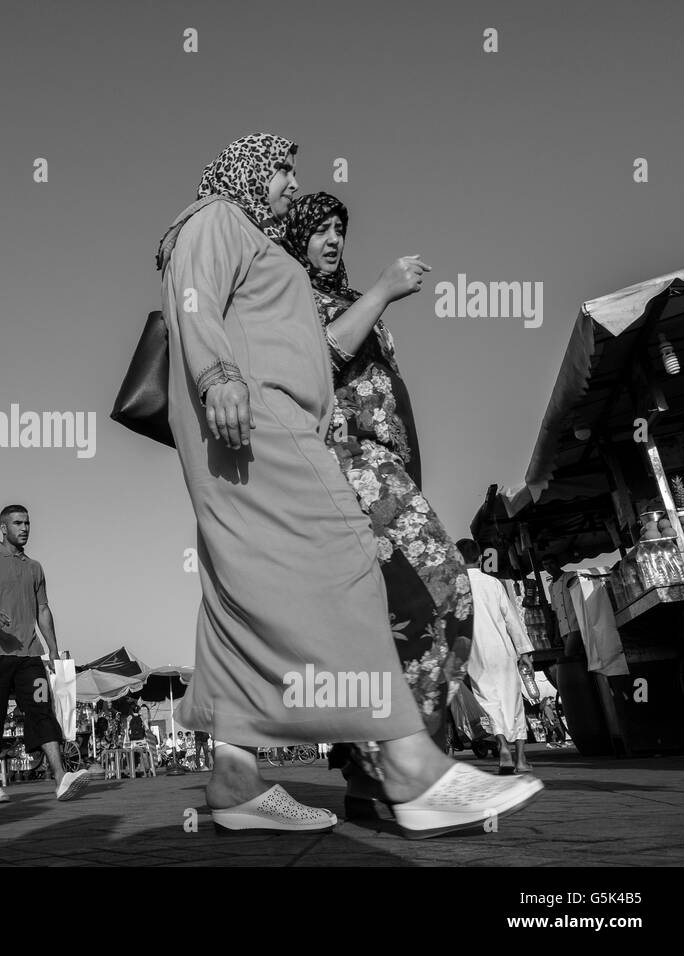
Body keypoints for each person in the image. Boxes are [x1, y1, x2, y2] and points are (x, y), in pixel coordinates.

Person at [156, 132, 542, 835]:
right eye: (281, 170)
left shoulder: (262, 246)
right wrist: (216, 373)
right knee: (346, 563)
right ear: (247, 170)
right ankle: (405, 766)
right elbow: (191, 297)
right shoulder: (217, 219)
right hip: (260, 422)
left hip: (253, 429)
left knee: (236, 596)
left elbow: (315, 346)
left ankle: (234, 780)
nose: (290, 184)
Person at [280, 192, 476, 807]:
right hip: (346, 470)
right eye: (319, 231)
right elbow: (322, 358)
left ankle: (386, 767)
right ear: (296, 241)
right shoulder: (289, 297)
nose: (333, 240)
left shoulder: (352, 300)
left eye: (339, 229)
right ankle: (402, 762)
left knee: (418, 608)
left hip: (387, 474)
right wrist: (385, 289)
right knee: (430, 599)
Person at [0, 505, 91, 804]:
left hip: (30, 655)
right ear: (3, 527)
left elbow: (43, 609)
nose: (25, 528)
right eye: (17, 523)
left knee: (41, 709)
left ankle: (61, 778)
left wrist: (54, 651)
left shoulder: (35, 567)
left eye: (28, 523)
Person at [457, 540, 536, 773]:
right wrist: (525, 652)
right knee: (513, 700)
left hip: (475, 653)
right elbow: (512, 619)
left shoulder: (456, 588)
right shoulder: (493, 583)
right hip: (502, 650)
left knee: (488, 700)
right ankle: (521, 759)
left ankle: (503, 748)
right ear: (480, 558)